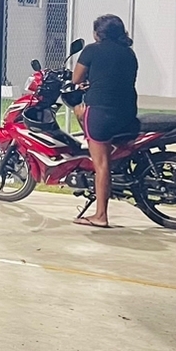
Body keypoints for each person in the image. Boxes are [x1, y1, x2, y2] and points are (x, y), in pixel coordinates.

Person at [72, 13, 139, 228]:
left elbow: (76, 79)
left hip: (102, 114)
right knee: (106, 156)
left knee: (101, 165)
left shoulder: (91, 50)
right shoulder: (129, 54)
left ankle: (100, 215)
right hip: (127, 113)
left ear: (97, 33)